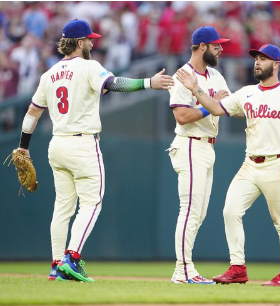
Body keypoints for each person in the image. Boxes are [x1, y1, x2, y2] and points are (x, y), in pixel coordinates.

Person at [14, 19, 174, 282]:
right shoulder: (88, 66)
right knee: (92, 202)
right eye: (89, 39)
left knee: (62, 207)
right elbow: (115, 84)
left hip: (57, 145)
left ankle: (56, 265)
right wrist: (148, 83)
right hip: (82, 144)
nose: (92, 43)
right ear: (79, 43)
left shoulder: (49, 74)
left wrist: (23, 146)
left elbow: (32, 112)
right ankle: (72, 259)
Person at [176, 44, 280, 287]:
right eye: (256, 58)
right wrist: (196, 89)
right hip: (250, 164)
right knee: (230, 211)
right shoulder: (245, 93)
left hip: (278, 164)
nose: (257, 62)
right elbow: (215, 108)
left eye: (263, 59)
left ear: (276, 65)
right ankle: (237, 268)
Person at [167, 26, 231, 285]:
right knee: (190, 210)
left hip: (208, 146)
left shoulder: (215, 75)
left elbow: (226, 106)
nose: (221, 48)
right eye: (216, 45)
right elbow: (182, 116)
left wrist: (208, 102)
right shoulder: (183, 74)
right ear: (202, 46)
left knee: (199, 213)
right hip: (190, 144)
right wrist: (210, 106)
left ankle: (185, 269)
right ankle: (182, 270)